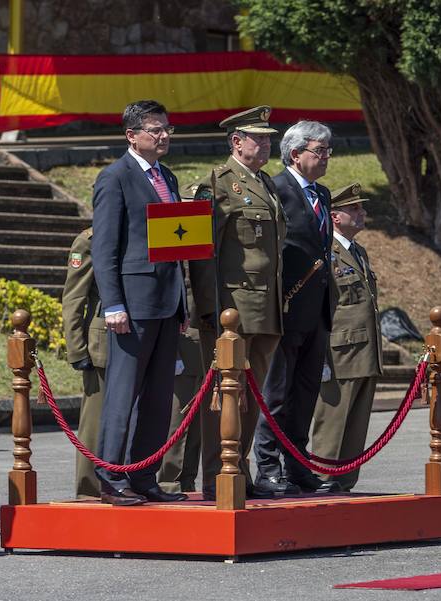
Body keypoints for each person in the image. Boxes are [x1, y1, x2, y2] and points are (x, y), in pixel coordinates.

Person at [91, 99, 188, 505]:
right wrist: (113, 303)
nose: (163, 135)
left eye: (167, 128)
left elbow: (176, 245)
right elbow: (104, 249)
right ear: (132, 135)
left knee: (158, 397)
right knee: (122, 394)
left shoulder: (167, 176)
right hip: (132, 305)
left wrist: (182, 303)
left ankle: (144, 475)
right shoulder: (115, 177)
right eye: (155, 129)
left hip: (167, 302)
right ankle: (111, 477)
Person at [188, 106, 285, 500]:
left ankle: (239, 469)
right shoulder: (217, 184)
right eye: (257, 138)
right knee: (225, 394)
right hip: (230, 311)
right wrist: (208, 310)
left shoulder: (266, 184)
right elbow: (201, 253)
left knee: (252, 396)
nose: (265, 144)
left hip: (265, 308)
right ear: (236, 141)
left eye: (268, 138)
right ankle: (218, 474)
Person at [252, 120, 338, 496]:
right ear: (295, 153)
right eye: (319, 151)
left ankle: (298, 467)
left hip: (317, 308)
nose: (326, 157)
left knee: (305, 393)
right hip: (285, 307)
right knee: (276, 393)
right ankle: (268, 467)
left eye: (328, 151)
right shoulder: (275, 188)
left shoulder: (322, 194)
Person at [311, 183, 383, 492]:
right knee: (333, 421)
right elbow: (319, 308)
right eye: (354, 208)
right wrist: (320, 357)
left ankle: (345, 480)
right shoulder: (326, 252)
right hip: (339, 353)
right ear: (335, 217)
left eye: (361, 207)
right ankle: (324, 479)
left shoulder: (358, 252)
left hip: (364, 351)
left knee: (356, 423)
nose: (361, 213)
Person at [61, 227, 108, 498]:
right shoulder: (89, 240)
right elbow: (74, 297)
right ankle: (89, 490)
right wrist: (77, 349)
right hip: (102, 342)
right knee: (94, 423)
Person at [157, 321, 205, 494]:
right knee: (178, 424)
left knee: (196, 428)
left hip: (206, 347)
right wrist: (173, 353)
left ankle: (186, 483)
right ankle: (169, 484)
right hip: (185, 347)